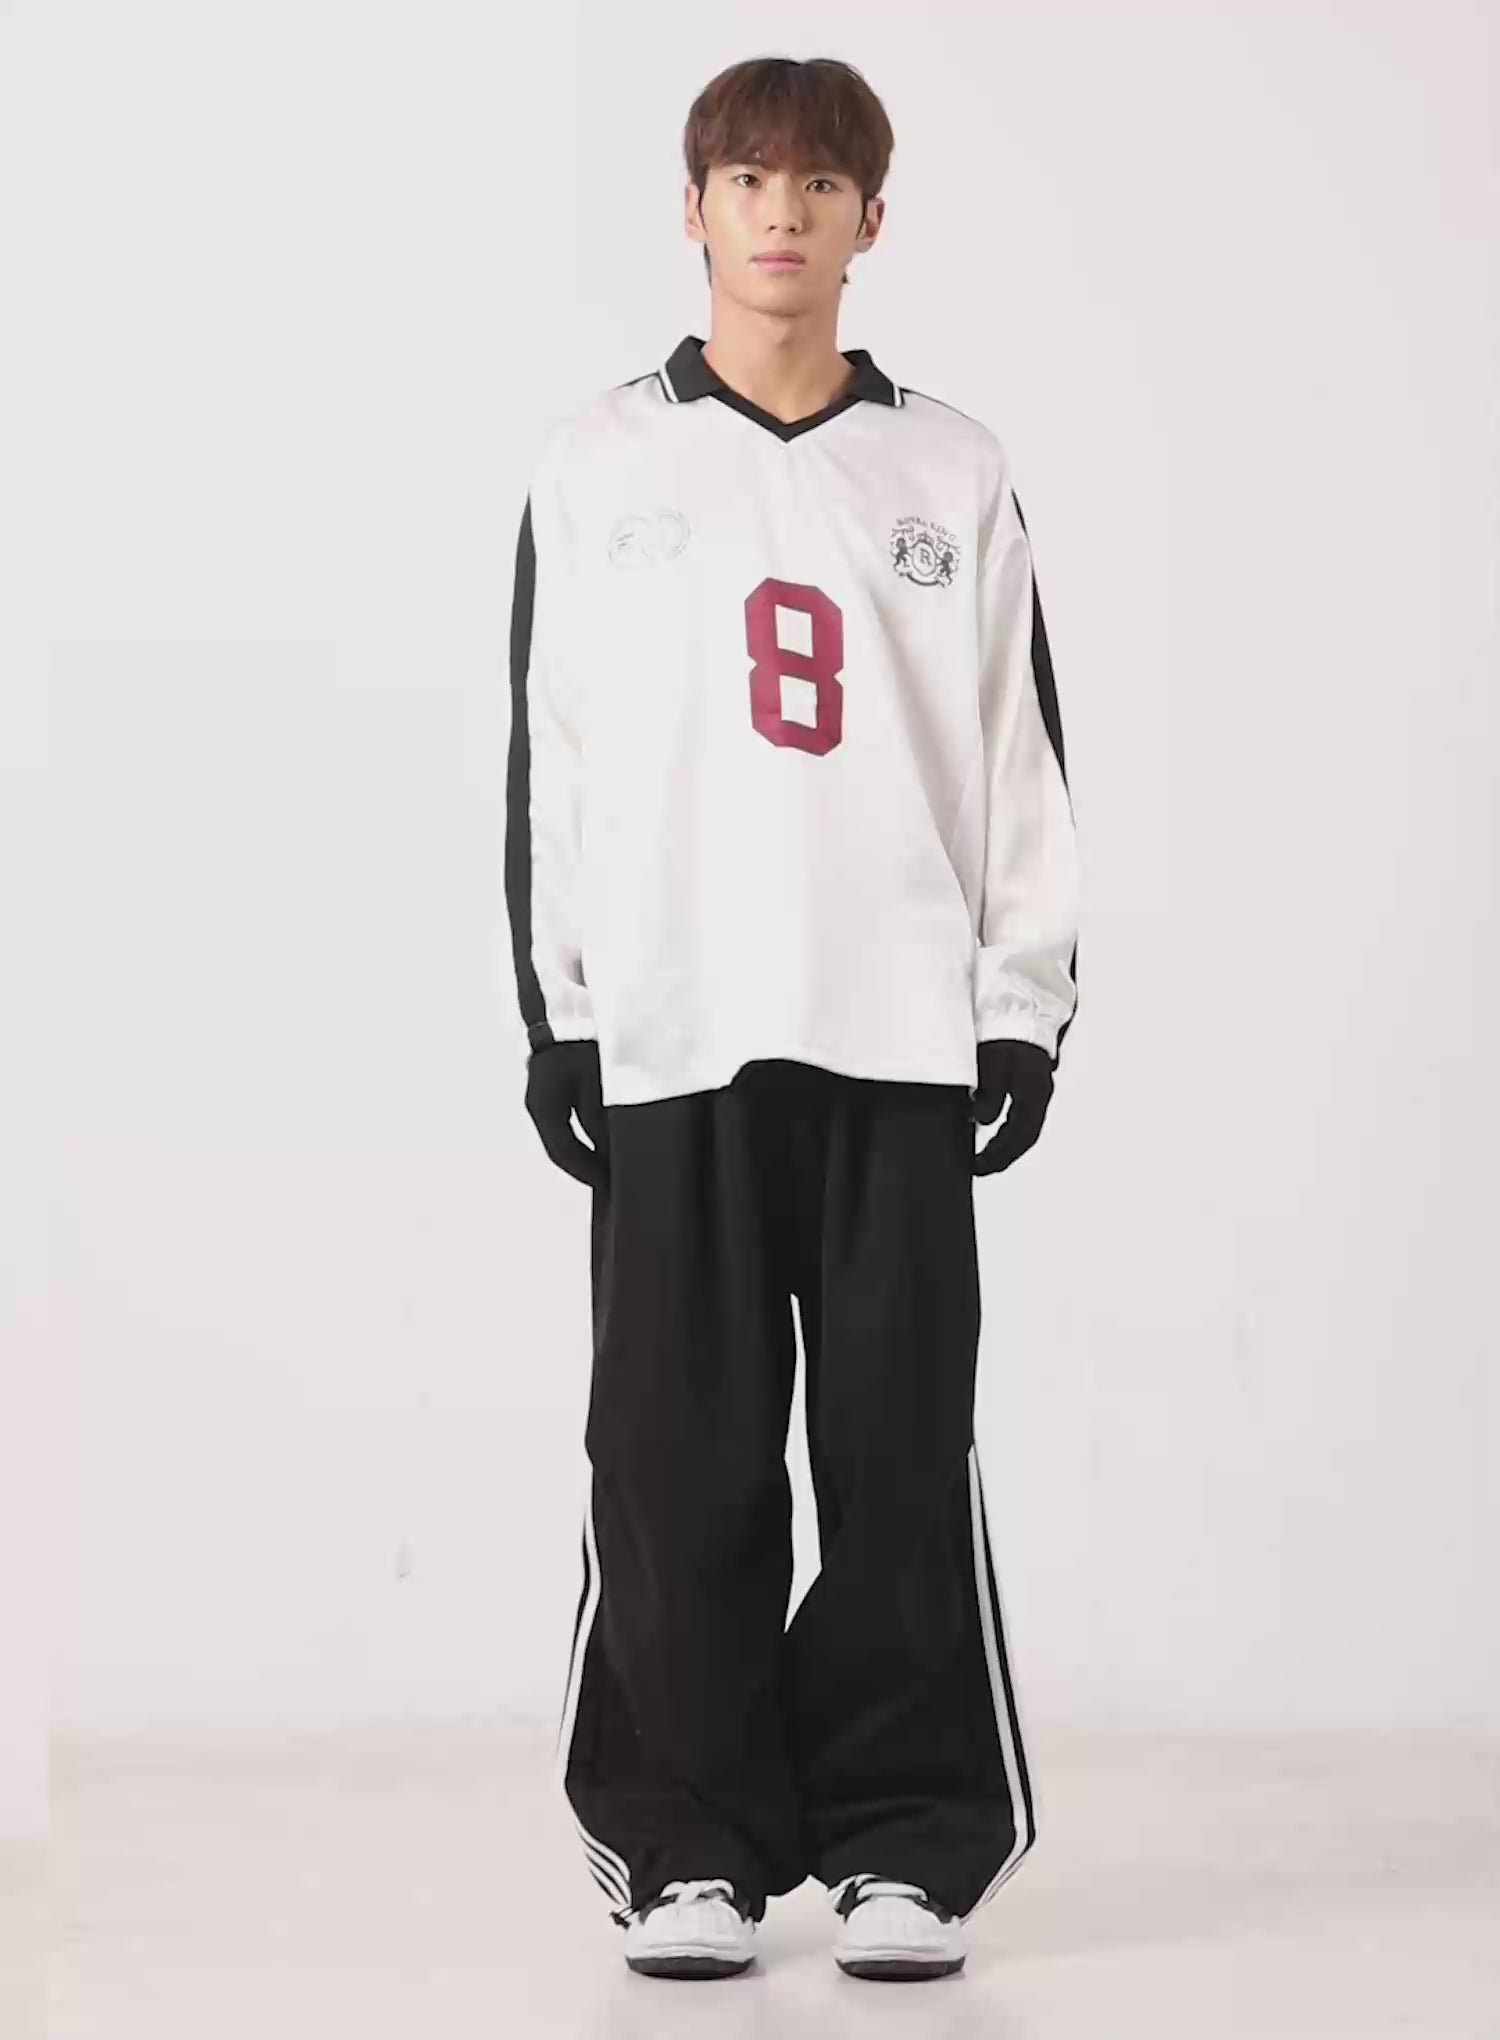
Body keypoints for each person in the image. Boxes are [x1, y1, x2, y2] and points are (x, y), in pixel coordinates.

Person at [502, 53, 1080, 1983]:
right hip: (675, 1027)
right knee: (676, 1456)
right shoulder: (600, 463)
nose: (782, 211)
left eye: (819, 184)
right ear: (694, 209)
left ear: (869, 221)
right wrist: (562, 1012)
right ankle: (691, 1843)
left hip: (897, 1026)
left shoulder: (951, 469)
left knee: (899, 1455)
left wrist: (1021, 1005)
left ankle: (905, 1840)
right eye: (747, 178)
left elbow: (1014, 748)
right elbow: (554, 755)